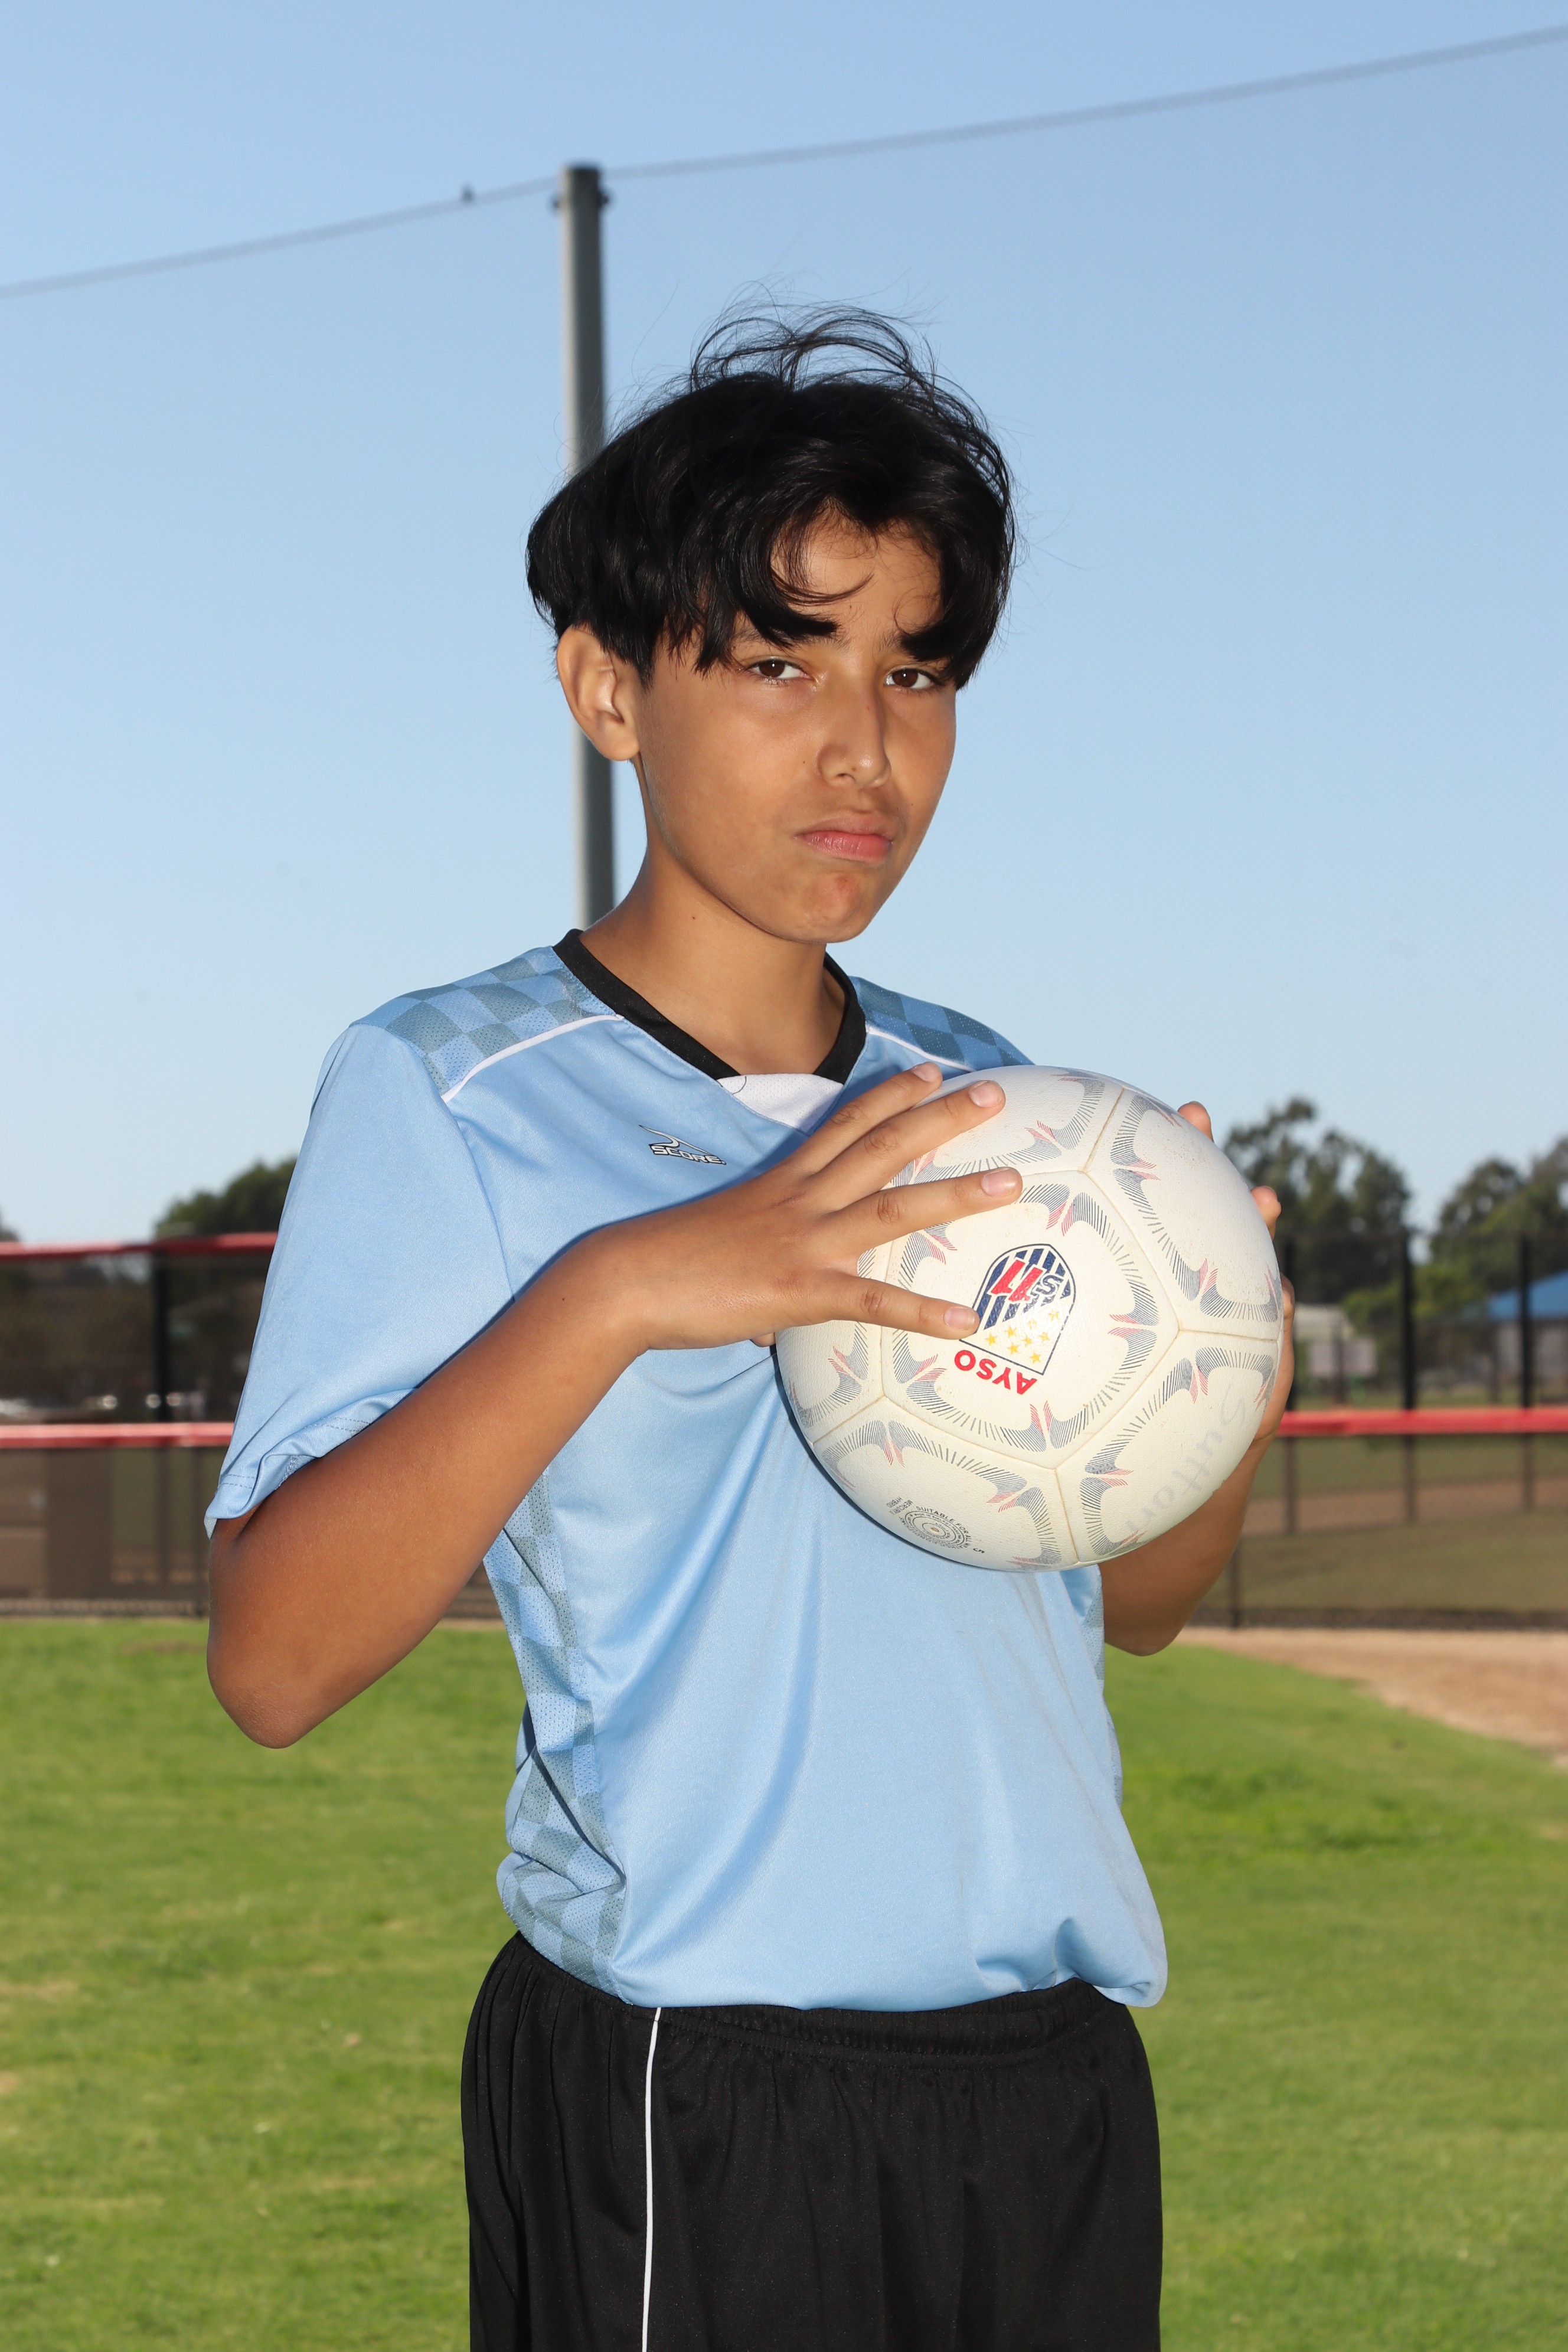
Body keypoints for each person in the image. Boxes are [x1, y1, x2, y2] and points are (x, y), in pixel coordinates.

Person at [207, 312, 1291, 2351]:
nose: (865, 748)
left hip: (1050, 2084)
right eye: (782, 663)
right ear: (609, 687)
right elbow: (272, 1664)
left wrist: (1218, 1365)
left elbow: (1138, 1605)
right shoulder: (453, 1090)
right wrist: (628, 1286)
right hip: (697, 2089)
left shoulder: (1001, 1107)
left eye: (917, 672)